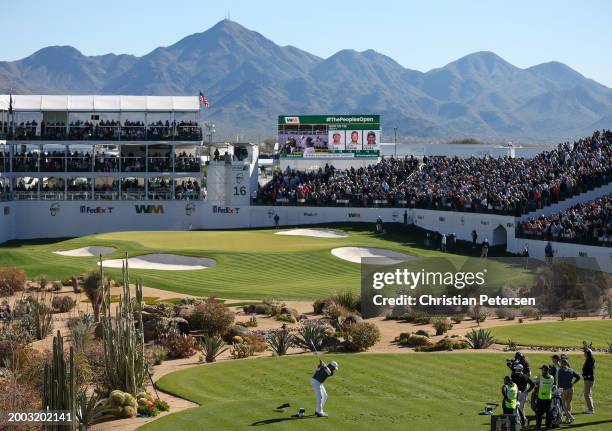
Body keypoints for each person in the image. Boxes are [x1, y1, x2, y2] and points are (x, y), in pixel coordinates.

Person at [557, 358, 580, 423]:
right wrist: (573, 383)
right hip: (571, 388)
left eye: (561, 362)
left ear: (563, 363)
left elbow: (559, 381)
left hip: (564, 389)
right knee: (569, 403)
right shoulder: (571, 370)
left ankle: (570, 416)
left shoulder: (561, 370)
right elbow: (578, 377)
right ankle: (567, 419)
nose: (560, 363)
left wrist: (559, 389)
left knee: (563, 403)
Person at [534, 365, 554, 429]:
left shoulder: (540, 377)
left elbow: (535, 383)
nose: (541, 371)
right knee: (548, 412)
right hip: (548, 397)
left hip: (541, 397)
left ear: (544, 370)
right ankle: (548, 425)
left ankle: (538, 425)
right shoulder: (552, 377)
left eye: (542, 370)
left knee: (539, 412)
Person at [582, 349, 595, 414]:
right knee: (588, 394)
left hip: (589, 379)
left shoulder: (590, 360)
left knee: (586, 394)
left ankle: (591, 409)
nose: (584, 353)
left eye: (585, 352)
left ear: (588, 353)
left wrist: (587, 376)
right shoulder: (588, 359)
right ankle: (590, 408)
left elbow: (590, 370)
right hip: (587, 379)